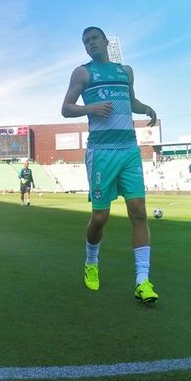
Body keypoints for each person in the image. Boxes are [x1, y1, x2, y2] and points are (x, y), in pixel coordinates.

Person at [61, 25, 158, 302]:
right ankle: (91, 261)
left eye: (94, 39)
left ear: (105, 41)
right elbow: (66, 108)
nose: (90, 44)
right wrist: (90, 108)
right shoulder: (83, 73)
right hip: (101, 152)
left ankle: (142, 281)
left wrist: (145, 108)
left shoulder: (125, 71)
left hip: (128, 149)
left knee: (138, 211)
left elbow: (130, 101)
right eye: (86, 41)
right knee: (100, 217)